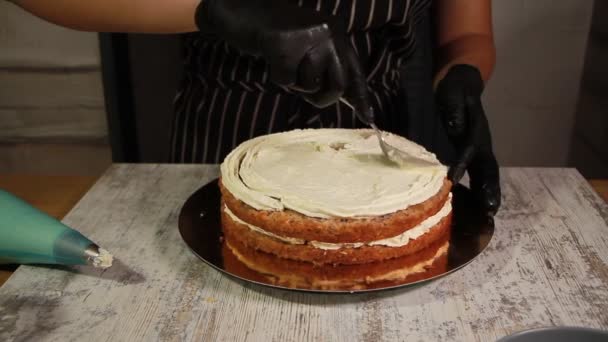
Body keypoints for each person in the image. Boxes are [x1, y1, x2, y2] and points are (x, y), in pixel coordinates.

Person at [9, 0, 501, 216]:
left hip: (374, 134)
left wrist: (463, 75)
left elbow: (468, 34)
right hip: (225, 127)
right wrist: (217, 8)